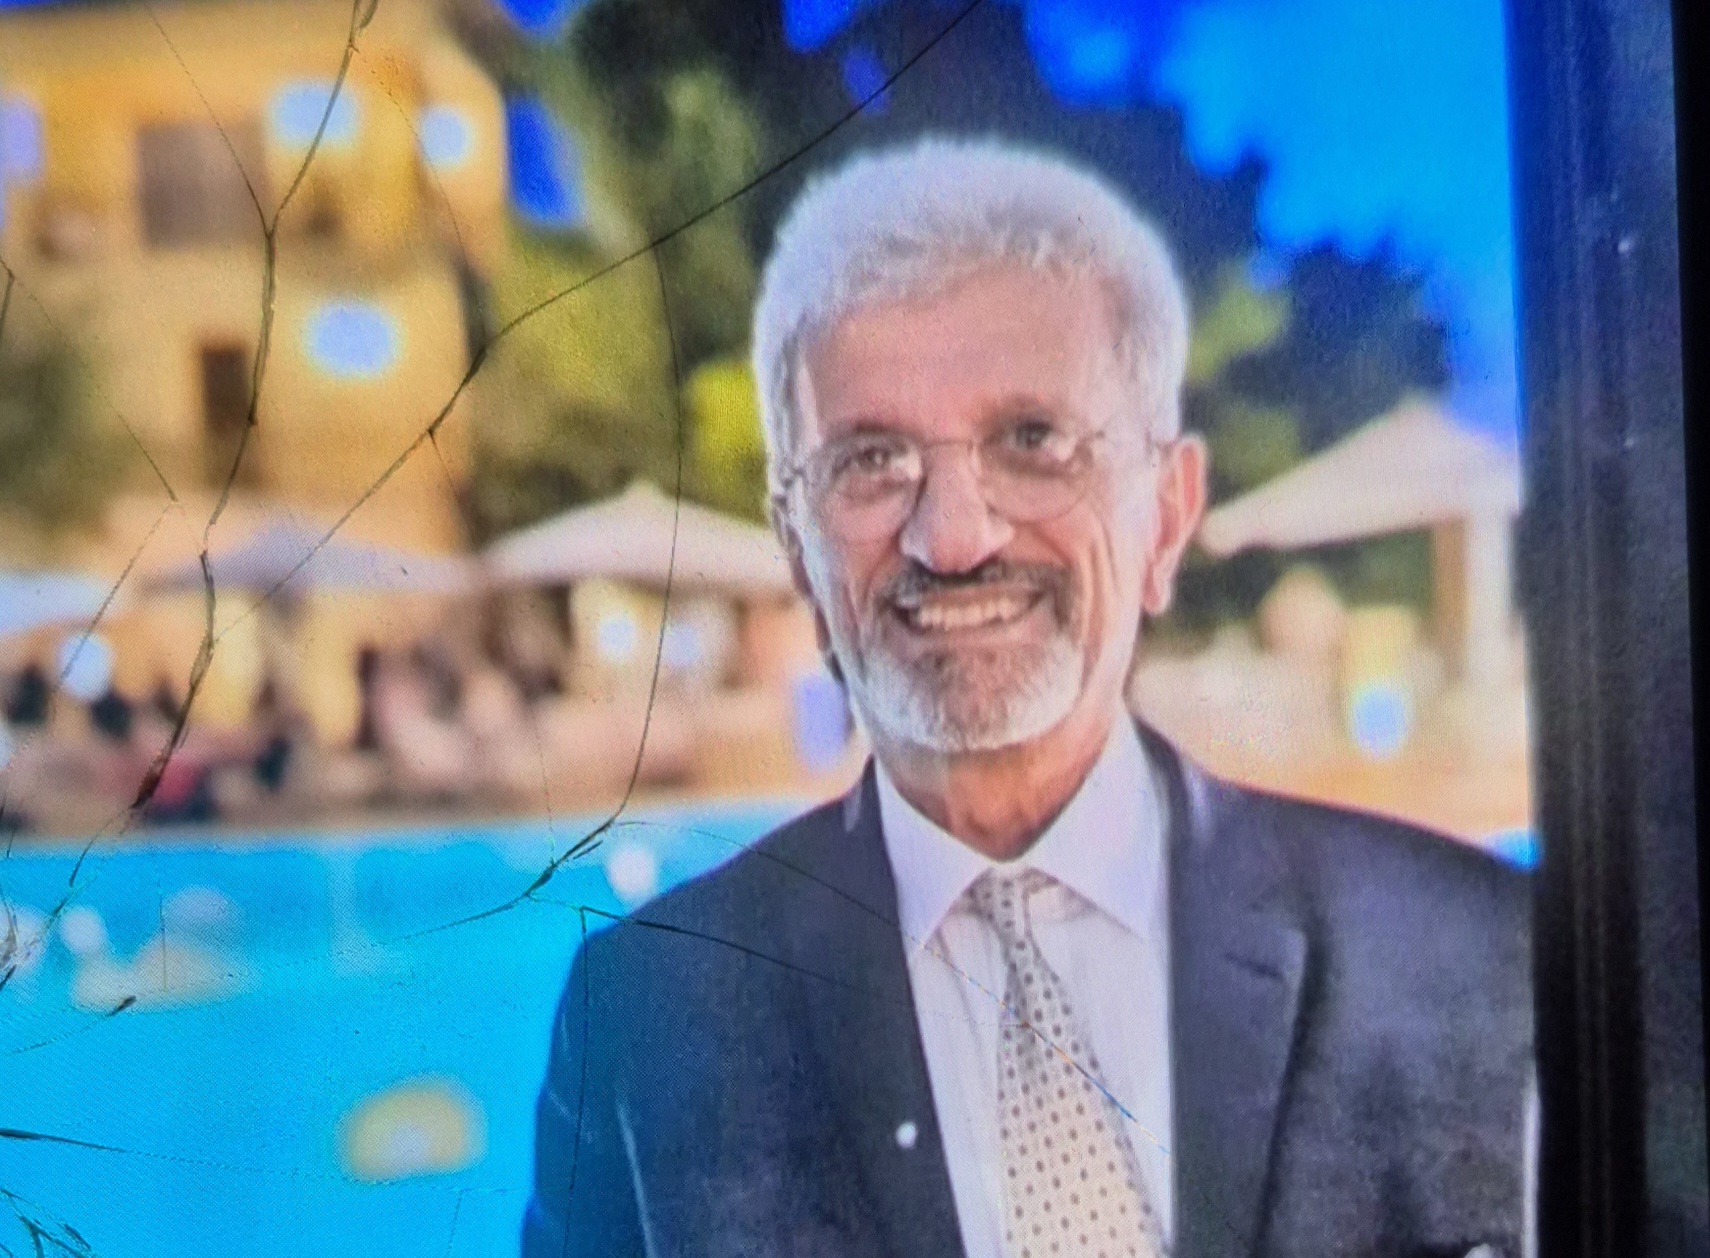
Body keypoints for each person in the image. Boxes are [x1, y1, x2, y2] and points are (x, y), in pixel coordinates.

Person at [523, 139, 1532, 1258]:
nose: (953, 536)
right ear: (797, 546)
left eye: (1032, 440)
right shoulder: (645, 1021)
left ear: (1167, 512)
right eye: (871, 459)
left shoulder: (1470, 955)